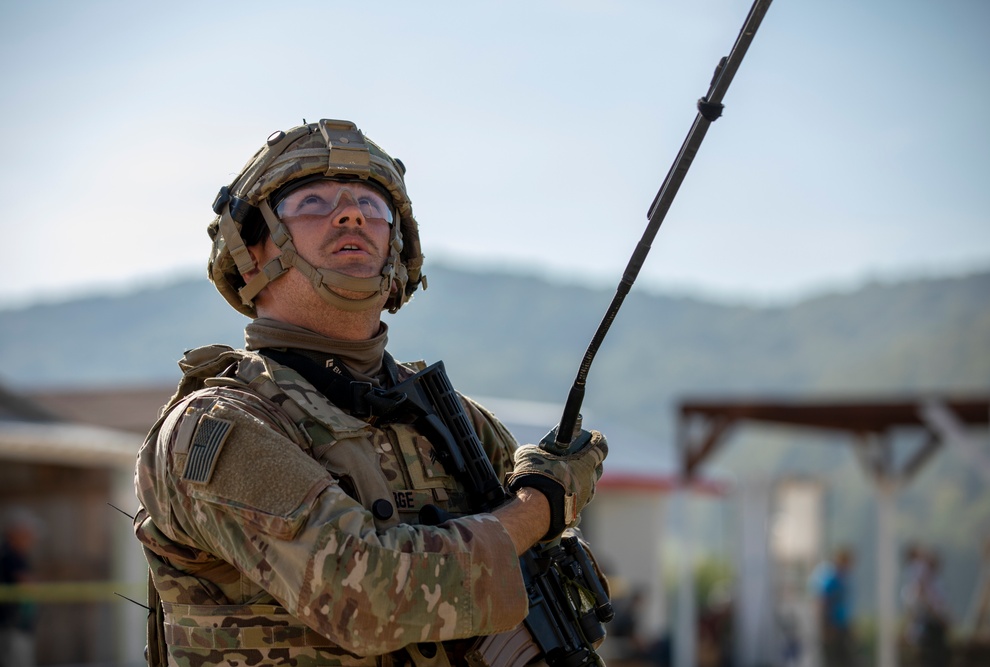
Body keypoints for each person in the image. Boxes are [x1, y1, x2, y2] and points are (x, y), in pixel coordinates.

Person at [133, 119, 609, 666]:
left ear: (397, 245)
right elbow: (364, 598)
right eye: (312, 201)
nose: (352, 214)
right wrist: (540, 506)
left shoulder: (455, 421)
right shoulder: (218, 427)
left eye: (371, 204)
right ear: (252, 251)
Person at [0, 508, 41, 667]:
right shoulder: (10, 556)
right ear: (15, 533)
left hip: (16, 627)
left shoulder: (14, 555)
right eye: (27, 533)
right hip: (12, 627)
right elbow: (26, 584)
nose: (32, 538)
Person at [811, 547, 854, 667]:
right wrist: (825, 626)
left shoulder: (843, 579)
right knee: (832, 659)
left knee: (845, 658)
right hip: (831, 626)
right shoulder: (831, 579)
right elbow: (822, 603)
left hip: (841, 625)